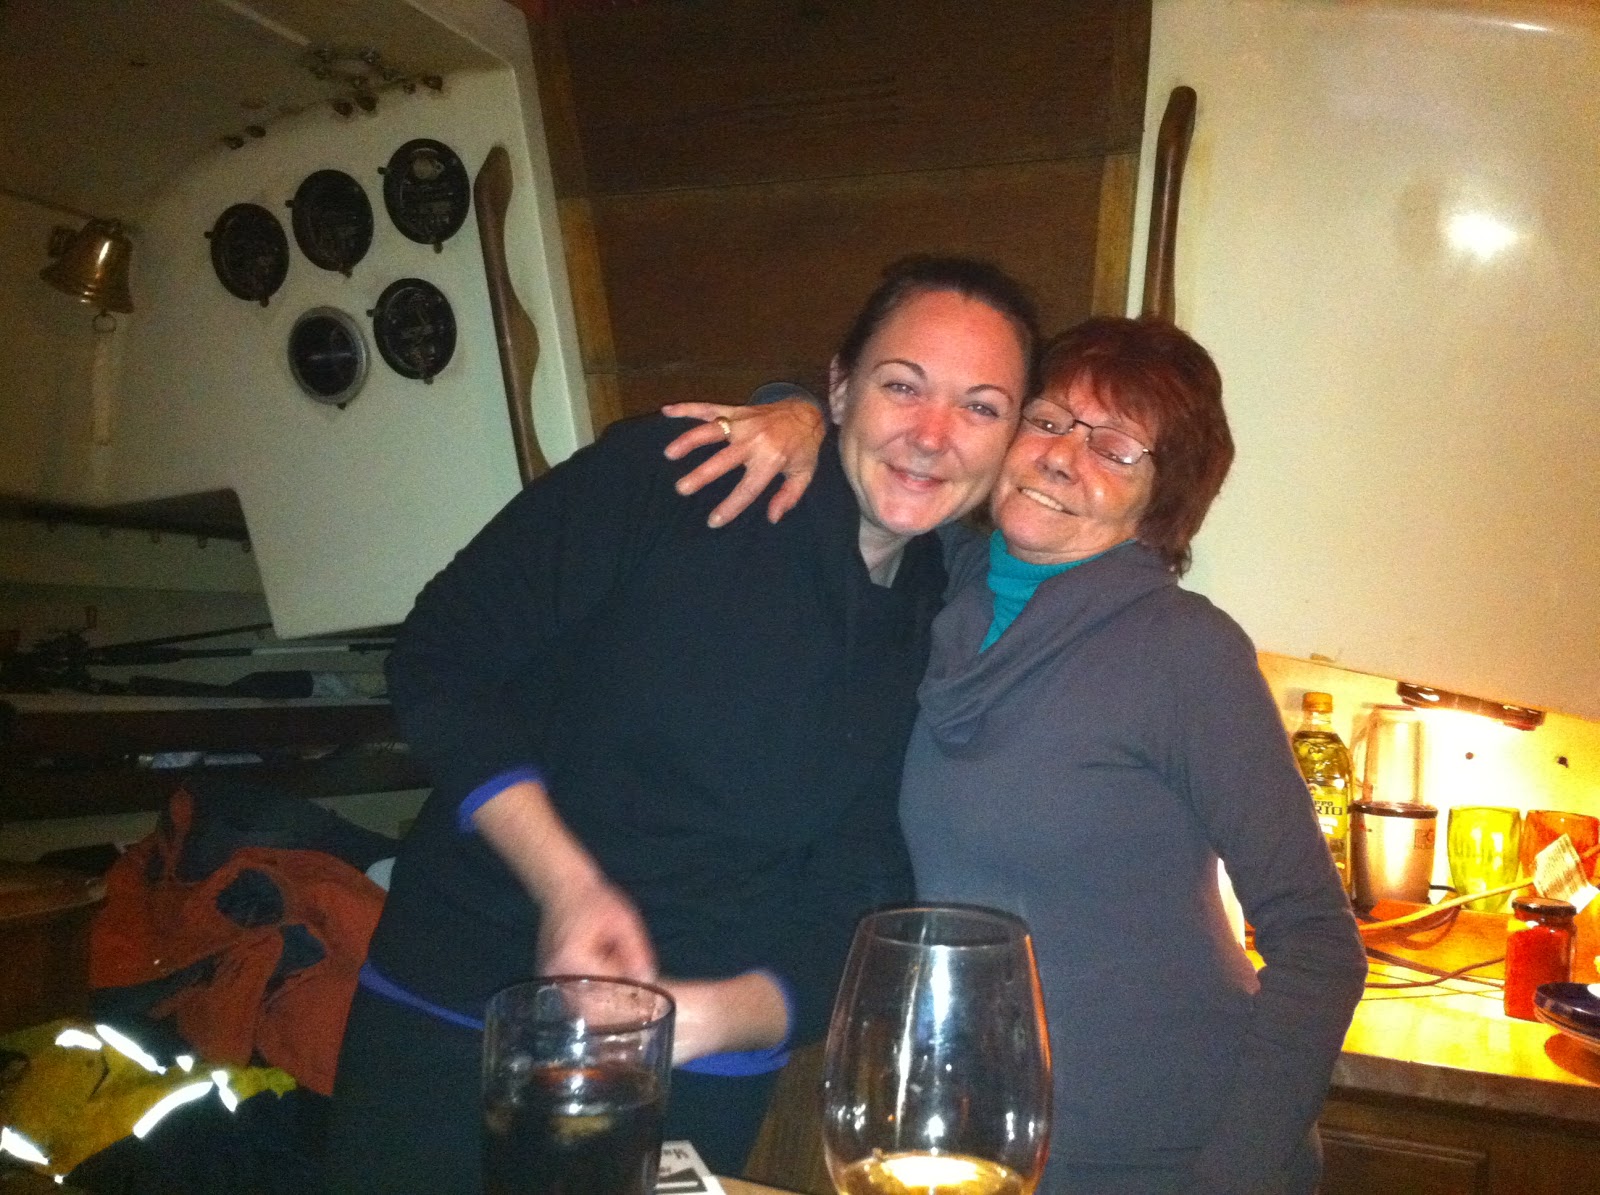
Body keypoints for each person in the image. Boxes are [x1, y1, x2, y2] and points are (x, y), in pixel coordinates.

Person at [324, 255, 1038, 1191]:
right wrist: (568, 885)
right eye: (902, 385)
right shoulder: (677, 475)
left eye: (981, 407)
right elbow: (441, 654)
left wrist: (707, 1018)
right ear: (839, 388)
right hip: (467, 1008)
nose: (933, 434)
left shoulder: (941, 615)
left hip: (697, 1079)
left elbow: (861, 890)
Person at [664, 315, 1368, 1194]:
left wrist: (1230, 1177)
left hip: (1167, 1149)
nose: (1063, 457)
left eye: (1116, 447)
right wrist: (800, 410)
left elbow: (1319, 943)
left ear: (1161, 501)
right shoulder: (941, 577)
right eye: (1048, 419)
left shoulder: (1185, 650)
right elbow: (876, 452)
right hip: (977, 1133)